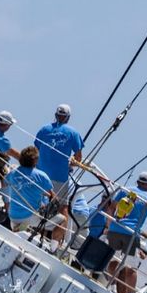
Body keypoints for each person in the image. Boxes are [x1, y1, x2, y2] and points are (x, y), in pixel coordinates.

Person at [35, 104, 84, 243]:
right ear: (68, 118)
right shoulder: (73, 133)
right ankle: (54, 242)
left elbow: (36, 150)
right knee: (63, 208)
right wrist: (69, 165)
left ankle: (36, 234)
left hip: (40, 175)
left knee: (39, 204)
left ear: (56, 115)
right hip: (59, 178)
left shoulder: (44, 129)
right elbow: (78, 158)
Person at [105, 172, 147, 293]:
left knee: (112, 261)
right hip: (131, 234)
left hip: (115, 229)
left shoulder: (125, 190)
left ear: (138, 182)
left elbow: (111, 208)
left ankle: (112, 286)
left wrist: (108, 226)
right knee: (131, 268)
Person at [5, 146, 53, 232]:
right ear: (35, 161)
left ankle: (21, 228)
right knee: (62, 220)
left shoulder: (13, 173)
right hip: (29, 218)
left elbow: (3, 183)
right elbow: (53, 197)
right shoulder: (42, 176)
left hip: (13, 216)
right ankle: (54, 245)